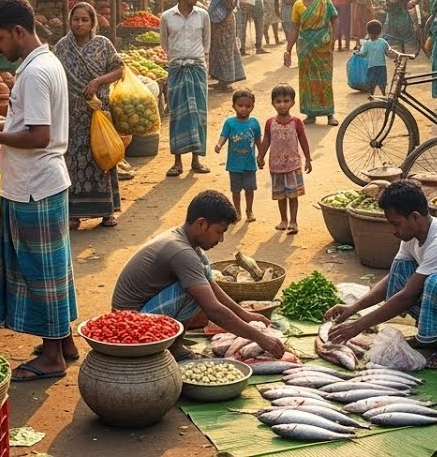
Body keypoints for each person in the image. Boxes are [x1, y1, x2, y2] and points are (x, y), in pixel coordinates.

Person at [0, 0, 77, 383]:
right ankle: (64, 342)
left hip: (34, 185)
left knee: (39, 271)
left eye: (1, 39)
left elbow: (39, 135)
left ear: (17, 31)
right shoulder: (47, 62)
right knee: (54, 268)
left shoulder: (33, 73)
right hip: (41, 182)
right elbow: (29, 124)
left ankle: (50, 357)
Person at [327, 180, 437, 368]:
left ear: (414, 217)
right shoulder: (412, 236)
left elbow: (408, 296)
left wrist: (358, 326)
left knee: (436, 283)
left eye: (395, 224)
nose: (392, 230)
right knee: (401, 268)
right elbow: (394, 279)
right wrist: (353, 308)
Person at [112, 190, 287, 360]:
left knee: (203, 272)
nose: (221, 240)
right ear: (201, 224)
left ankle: (174, 345)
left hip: (142, 312)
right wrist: (261, 338)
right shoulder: (181, 251)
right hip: (129, 326)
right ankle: (168, 348)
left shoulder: (187, 243)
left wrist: (246, 315)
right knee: (195, 291)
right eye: (219, 232)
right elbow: (213, 310)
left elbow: (210, 284)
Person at [53, 3, 124, 228]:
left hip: (97, 112)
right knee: (73, 160)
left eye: (85, 20)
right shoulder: (62, 47)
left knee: (101, 155)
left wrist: (97, 81)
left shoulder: (103, 44)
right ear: (70, 21)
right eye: (76, 19)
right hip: (72, 115)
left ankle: (107, 211)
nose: (80, 24)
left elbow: (119, 70)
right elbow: (54, 76)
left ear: (93, 22)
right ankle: (74, 213)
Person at [160, 0, 212, 178]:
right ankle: (177, 162)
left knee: (199, 114)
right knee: (177, 115)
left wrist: (201, 62)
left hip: (197, 68)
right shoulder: (167, 16)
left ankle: (196, 159)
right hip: (177, 69)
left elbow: (207, 42)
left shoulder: (203, 16)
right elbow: (165, 43)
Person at [284, 0, 339, 125]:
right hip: (305, 45)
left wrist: (333, 38)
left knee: (324, 78)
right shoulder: (298, 5)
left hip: (322, 44)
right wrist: (288, 49)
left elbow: (335, 19)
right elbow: (295, 28)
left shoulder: (325, 2)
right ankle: (310, 113)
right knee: (306, 79)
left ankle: (329, 113)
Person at [257, 84, 310, 233]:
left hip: (293, 165)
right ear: (272, 103)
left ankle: (293, 221)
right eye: (278, 101)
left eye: (286, 101)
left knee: (293, 195)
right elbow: (266, 140)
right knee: (281, 195)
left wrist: (308, 158)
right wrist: (260, 156)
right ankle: (283, 219)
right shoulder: (270, 122)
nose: (282, 105)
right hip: (276, 166)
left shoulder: (296, 122)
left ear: (293, 102)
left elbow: (303, 140)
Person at [215, 89, 261, 222]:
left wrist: (261, 156)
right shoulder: (230, 123)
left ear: (253, 106)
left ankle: (249, 210)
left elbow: (258, 140)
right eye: (240, 105)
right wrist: (219, 145)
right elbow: (224, 135)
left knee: (250, 189)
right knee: (235, 191)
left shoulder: (254, 123)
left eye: (248, 106)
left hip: (249, 164)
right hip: (234, 165)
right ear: (233, 105)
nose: (244, 109)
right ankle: (237, 211)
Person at [206, 0, 246, 91]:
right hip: (219, 21)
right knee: (218, 50)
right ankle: (221, 80)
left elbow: (231, 3)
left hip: (225, 22)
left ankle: (227, 81)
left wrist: (226, 2)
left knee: (225, 51)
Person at [357, 20, 391, 96]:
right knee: (382, 82)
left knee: (371, 83)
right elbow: (388, 52)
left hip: (371, 66)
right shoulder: (383, 42)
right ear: (380, 32)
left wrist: (357, 53)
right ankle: (383, 94)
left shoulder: (366, 43)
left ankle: (371, 94)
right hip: (381, 66)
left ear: (368, 32)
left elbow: (363, 54)